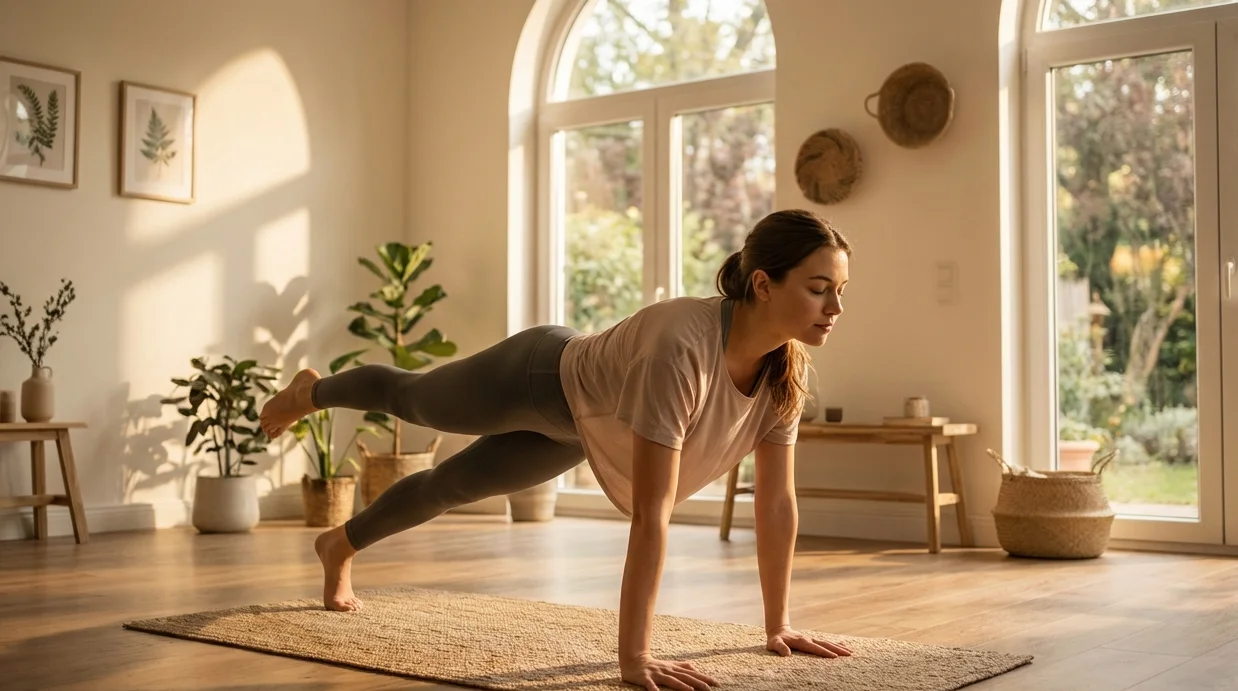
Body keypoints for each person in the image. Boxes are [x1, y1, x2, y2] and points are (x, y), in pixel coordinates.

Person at [259, 208, 853, 691]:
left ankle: (338, 544)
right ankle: (312, 391)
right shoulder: (682, 346)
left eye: (841, 290)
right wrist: (635, 657)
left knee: (451, 487)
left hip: (581, 428)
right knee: (414, 398)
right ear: (762, 284)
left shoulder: (785, 374)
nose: (835, 308)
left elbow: (775, 504)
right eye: (819, 288)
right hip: (538, 375)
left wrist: (779, 625)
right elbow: (653, 514)